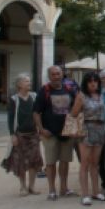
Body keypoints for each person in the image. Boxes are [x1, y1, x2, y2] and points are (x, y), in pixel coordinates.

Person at [33, 65, 77, 201]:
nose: (56, 76)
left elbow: (76, 108)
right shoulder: (44, 91)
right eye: (53, 74)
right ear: (49, 76)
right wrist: (41, 129)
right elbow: (36, 112)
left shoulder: (69, 90)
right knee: (51, 162)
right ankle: (52, 190)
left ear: (62, 74)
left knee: (65, 161)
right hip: (50, 132)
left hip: (66, 132)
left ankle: (64, 188)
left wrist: (73, 127)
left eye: (58, 73)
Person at [70, 72, 105, 206]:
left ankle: (96, 191)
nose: (93, 83)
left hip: (100, 129)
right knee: (85, 162)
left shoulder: (101, 95)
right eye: (90, 81)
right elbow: (73, 114)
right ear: (86, 83)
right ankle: (85, 194)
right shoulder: (81, 96)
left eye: (95, 81)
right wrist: (78, 103)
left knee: (95, 162)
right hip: (86, 129)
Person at [5, 74, 43, 197]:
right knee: (21, 161)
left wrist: (40, 130)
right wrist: (12, 135)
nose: (29, 83)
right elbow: (10, 118)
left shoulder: (34, 96)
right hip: (20, 134)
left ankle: (32, 186)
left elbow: (38, 114)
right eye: (26, 81)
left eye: (29, 81)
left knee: (34, 161)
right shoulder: (14, 99)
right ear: (19, 84)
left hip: (33, 134)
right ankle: (23, 186)